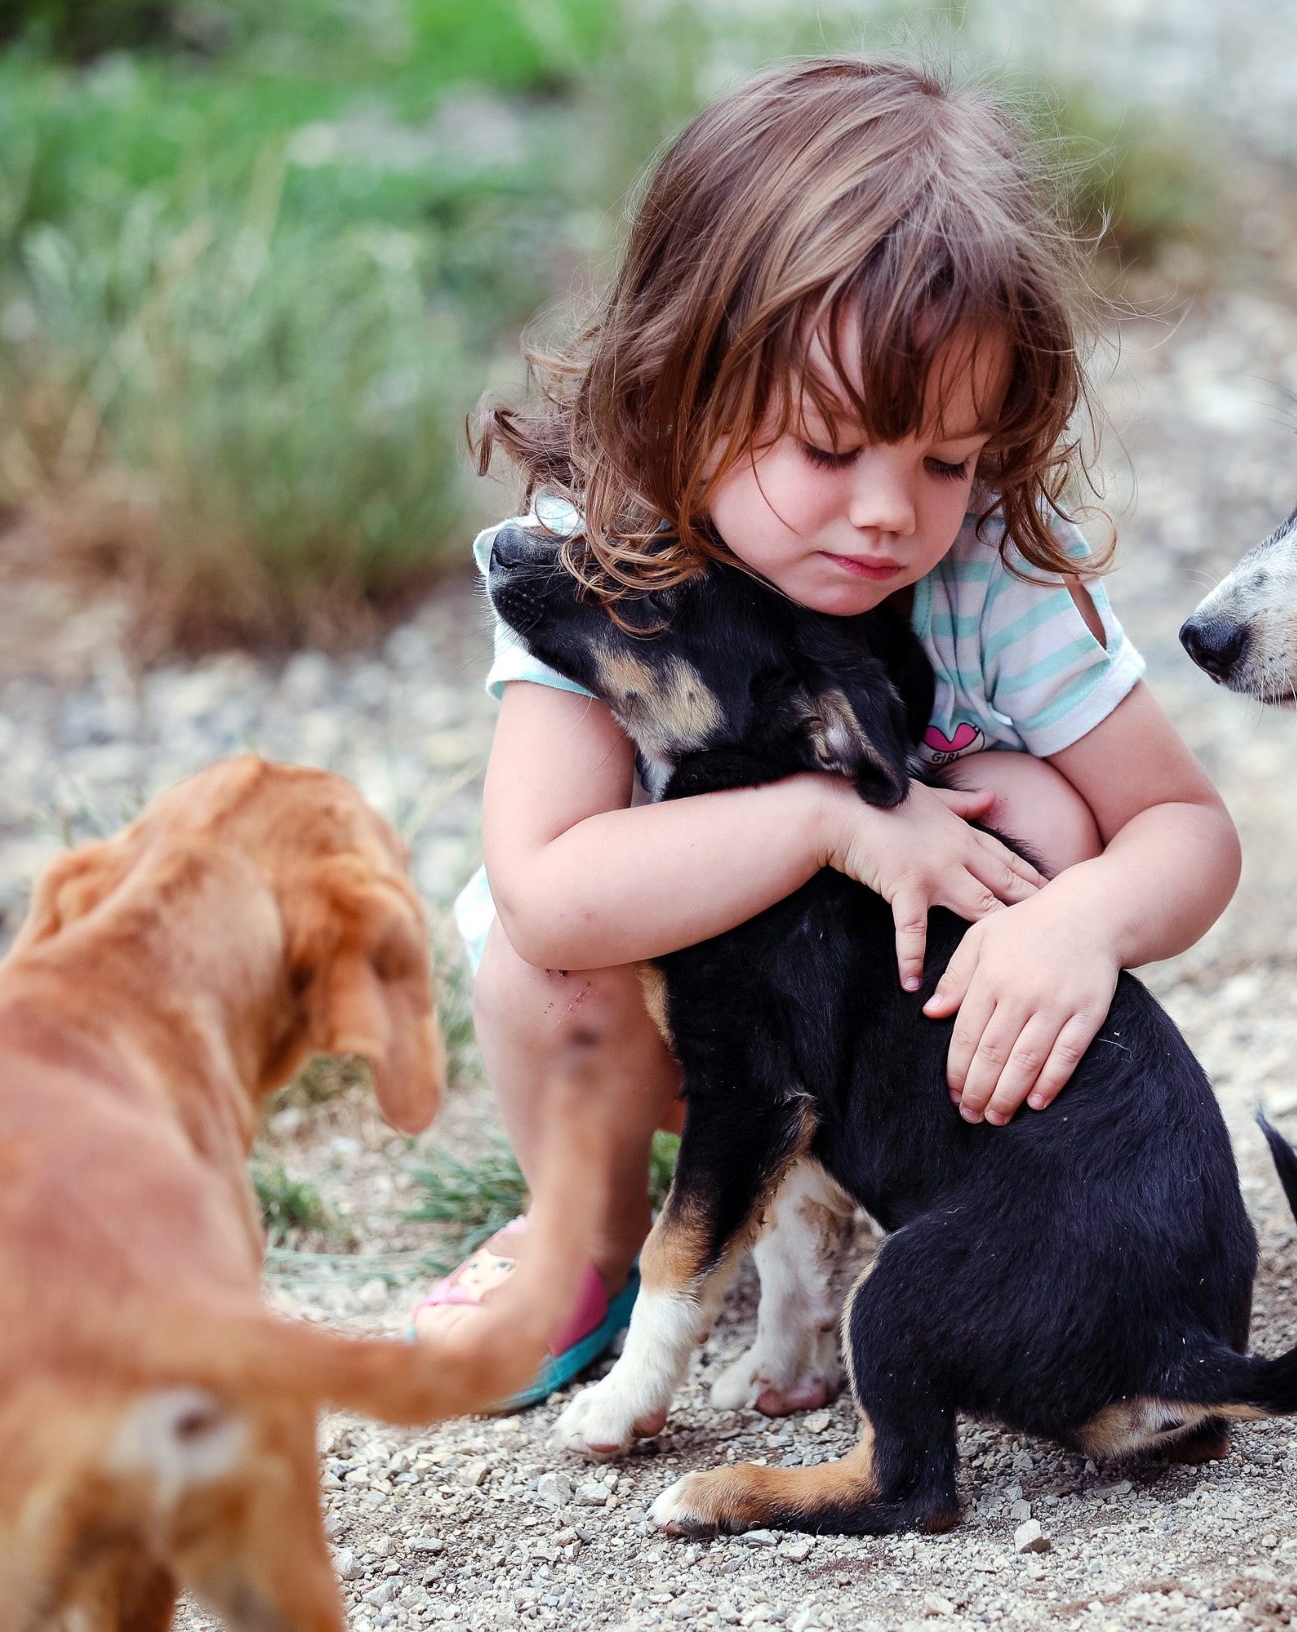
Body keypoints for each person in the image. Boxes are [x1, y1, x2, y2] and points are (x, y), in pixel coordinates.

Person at [412, 56, 1241, 1411]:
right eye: (829, 445)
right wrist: (831, 820)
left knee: (1045, 809)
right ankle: (590, 1235)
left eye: (945, 459)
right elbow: (552, 894)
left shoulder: (986, 578)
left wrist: (1078, 918)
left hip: (894, 1040)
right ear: (685, 385)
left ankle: (917, 1193)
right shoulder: (594, 573)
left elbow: (1186, 830)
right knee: (534, 971)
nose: (886, 513)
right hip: (669, 1025)